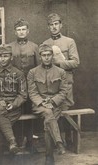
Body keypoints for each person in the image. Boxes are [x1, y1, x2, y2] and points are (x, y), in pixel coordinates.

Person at [43, 13, 80, 147]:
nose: (54, 27)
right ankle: (55, 141)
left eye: (56, 24)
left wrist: (59, 64)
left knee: (65, 109)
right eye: (51, 25)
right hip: (51, 84)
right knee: (52, 110)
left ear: (61, 25)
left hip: (66, 82)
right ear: (48, 27)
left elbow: (76, 62)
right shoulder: (45, 43)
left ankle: (68, 139)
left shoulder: (69, 42)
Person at [0, 44, 27, 160]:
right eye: (0, 56)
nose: (2, 59)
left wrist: (13, 105)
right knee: (0, 112)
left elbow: (23, 94)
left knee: (0, 125)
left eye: (5, 56)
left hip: (13, 108)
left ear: (11, 57)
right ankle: (12, 142)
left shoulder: (18, 73)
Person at [27, 44, 67, 165]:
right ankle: (59, 143)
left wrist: (53, 101)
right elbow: (32, 93)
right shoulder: (32, 72)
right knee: (48, 113)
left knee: (48, 122)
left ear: (52, 56)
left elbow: (63, 91)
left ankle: (49, 159)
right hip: (39, 106)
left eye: (49, 55)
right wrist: (42, 102)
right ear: (40, 57)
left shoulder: (61, 72)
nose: (46, 58)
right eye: (44, 55)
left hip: (55, 104)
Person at [8, 18, 39, 151]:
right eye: (18, 30)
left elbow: (39, 67)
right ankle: (18, 142)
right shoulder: (10, 47)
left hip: (30, 85)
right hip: (14, 87)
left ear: (28, 31)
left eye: (23, 30)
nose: (21, 32)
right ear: (15, 32)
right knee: (16, 112)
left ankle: (30, 142)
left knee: (30, 112)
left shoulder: (34, 46)